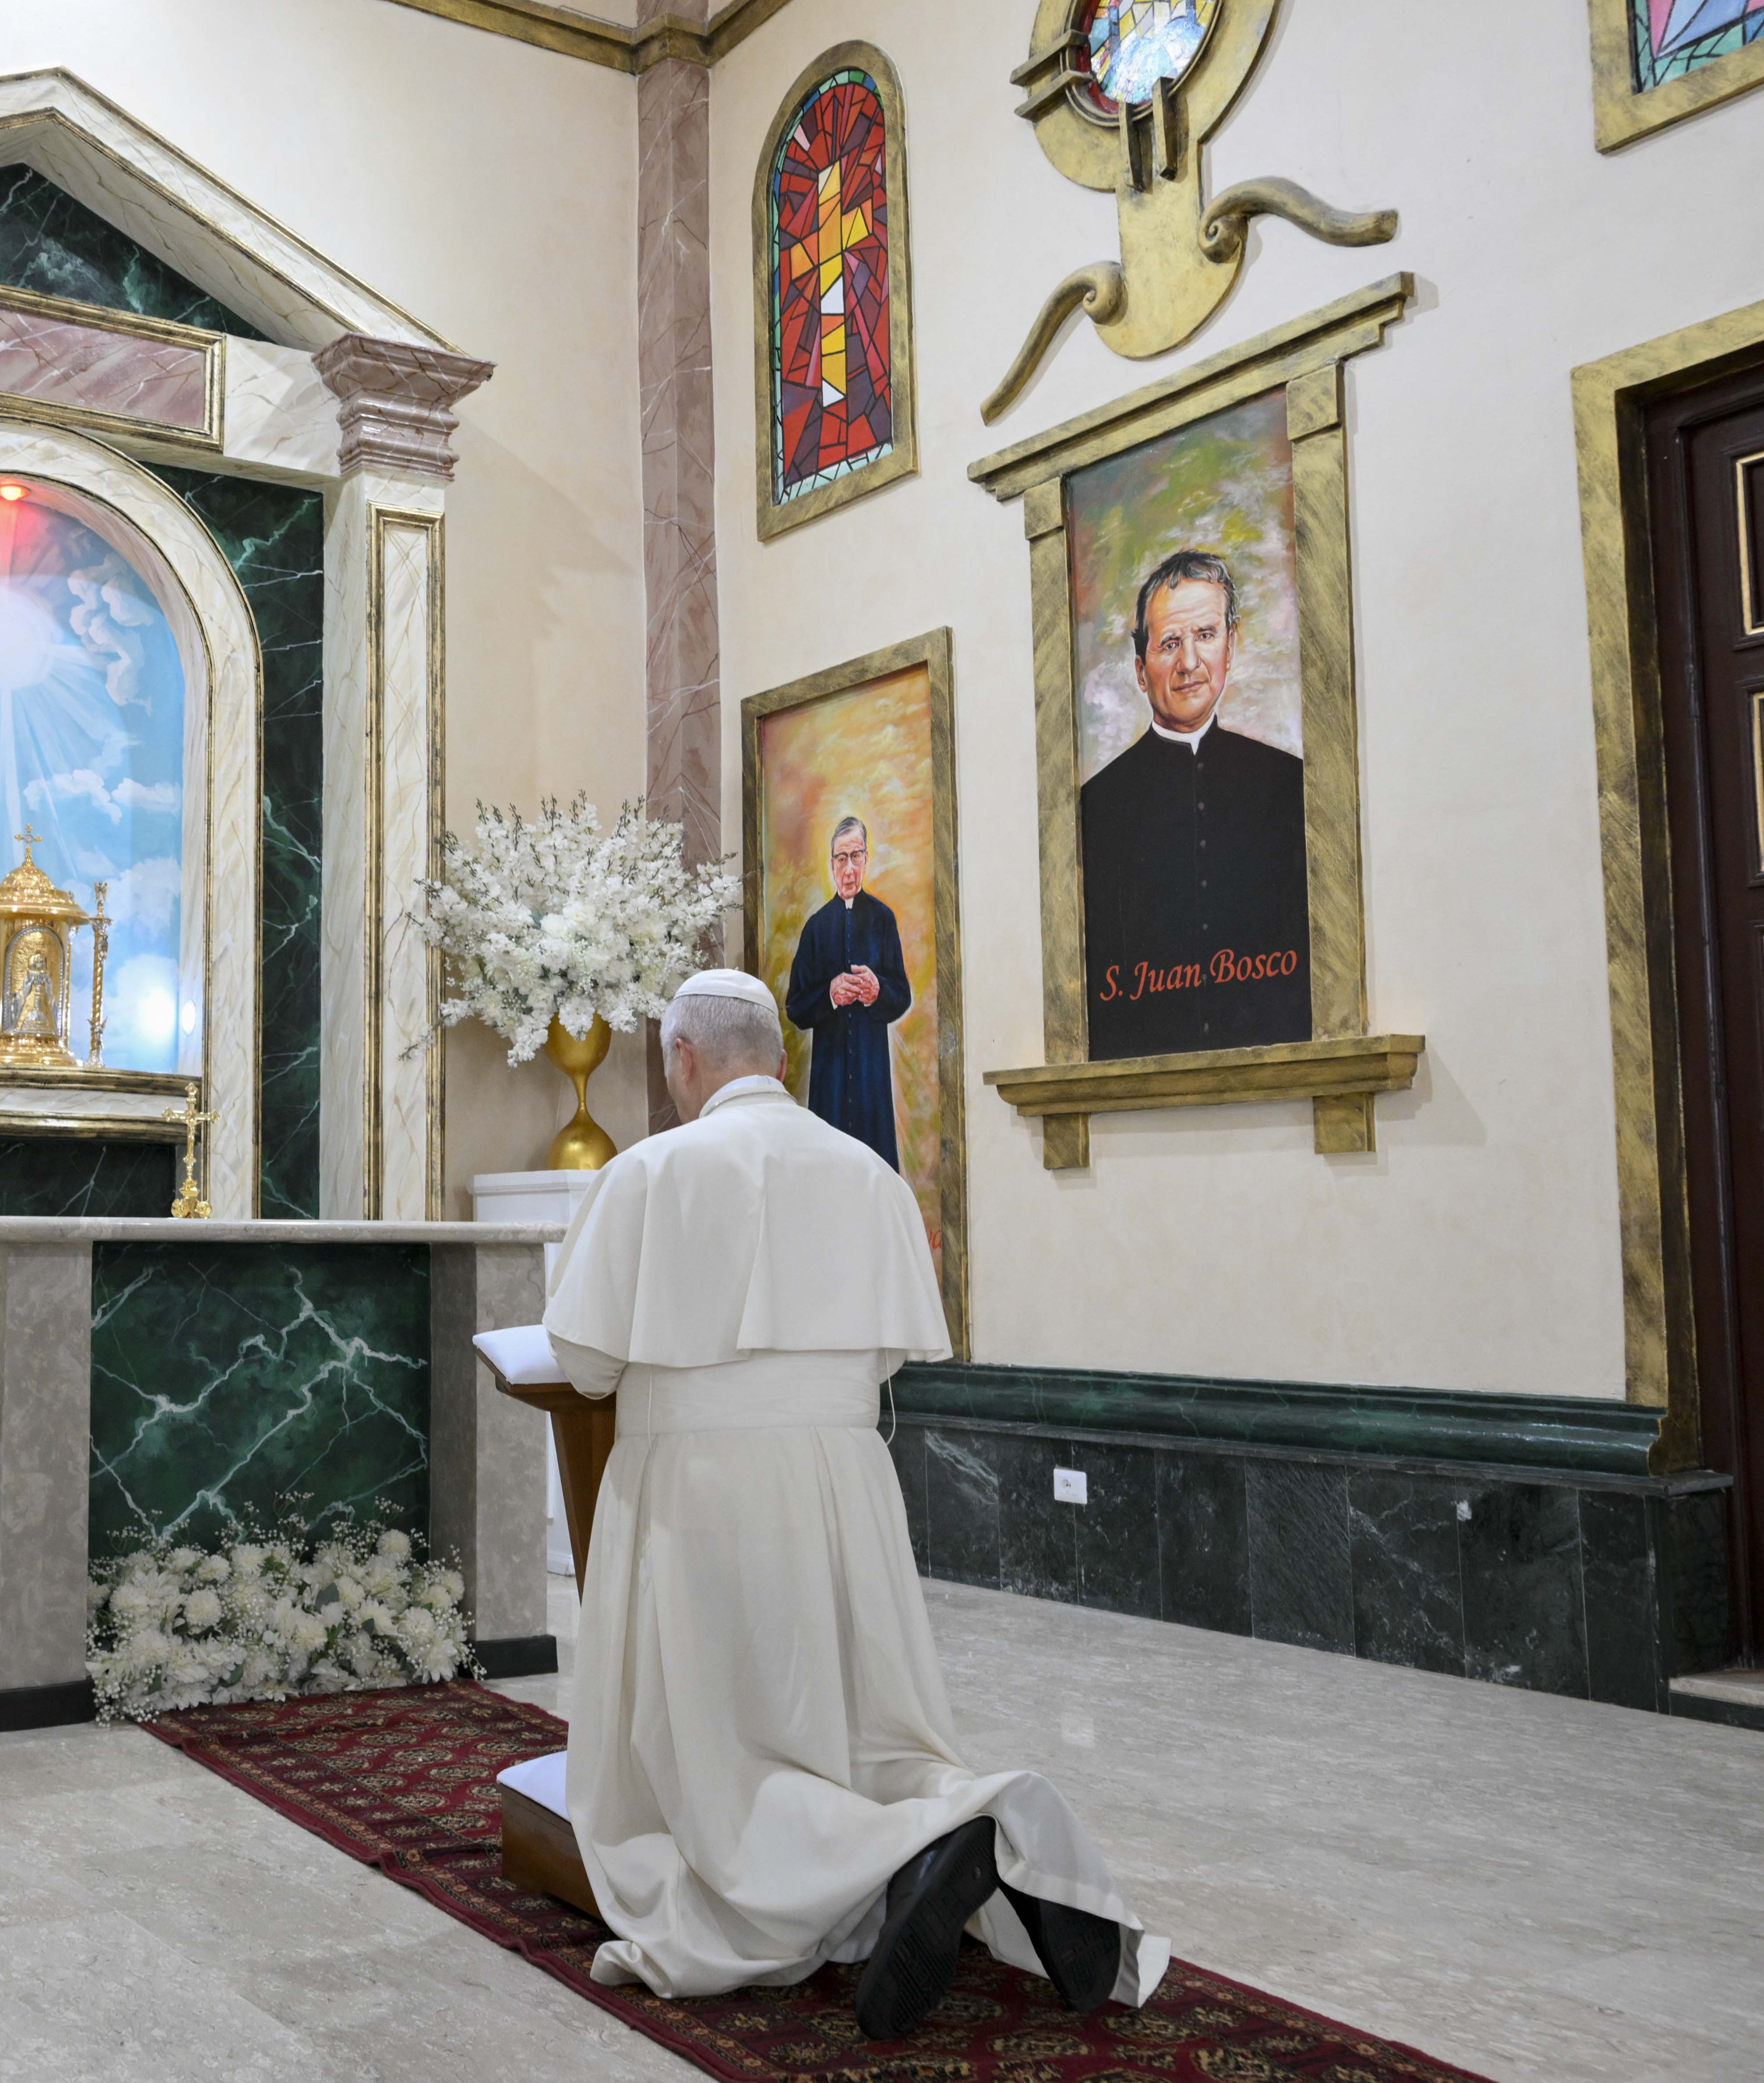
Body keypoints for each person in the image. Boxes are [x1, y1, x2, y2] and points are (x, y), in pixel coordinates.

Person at [543, 969, 1165, 2039]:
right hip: (842, 1481)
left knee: (713, 1739)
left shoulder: (647, 1172)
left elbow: (585, 1362)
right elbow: (884, 1354)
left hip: (696, 1484)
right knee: (846, 1713)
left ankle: (891, 1852)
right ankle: (942, 1831)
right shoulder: (868, 1172)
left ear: (682, 1058)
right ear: (782, 1058)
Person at [1077, 548, 1310, 1060]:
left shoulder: (1288, 783)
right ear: (1141, 671)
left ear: (1232, 645)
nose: (1188, 663)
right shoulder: (1096, 805)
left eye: (1205, 635)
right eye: (1169, 644)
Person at [783, 816, 912, 1171]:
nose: (849, 869)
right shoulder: (815, 928)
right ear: (832, 865)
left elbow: (902, 995)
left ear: (866, 859)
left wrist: (878, 990)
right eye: (841, 859)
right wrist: (829, 994)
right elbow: (795, 1007)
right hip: (831, 1081)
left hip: (871, 1078)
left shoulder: (883, 920)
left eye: (856, 857)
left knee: (876, 1170)